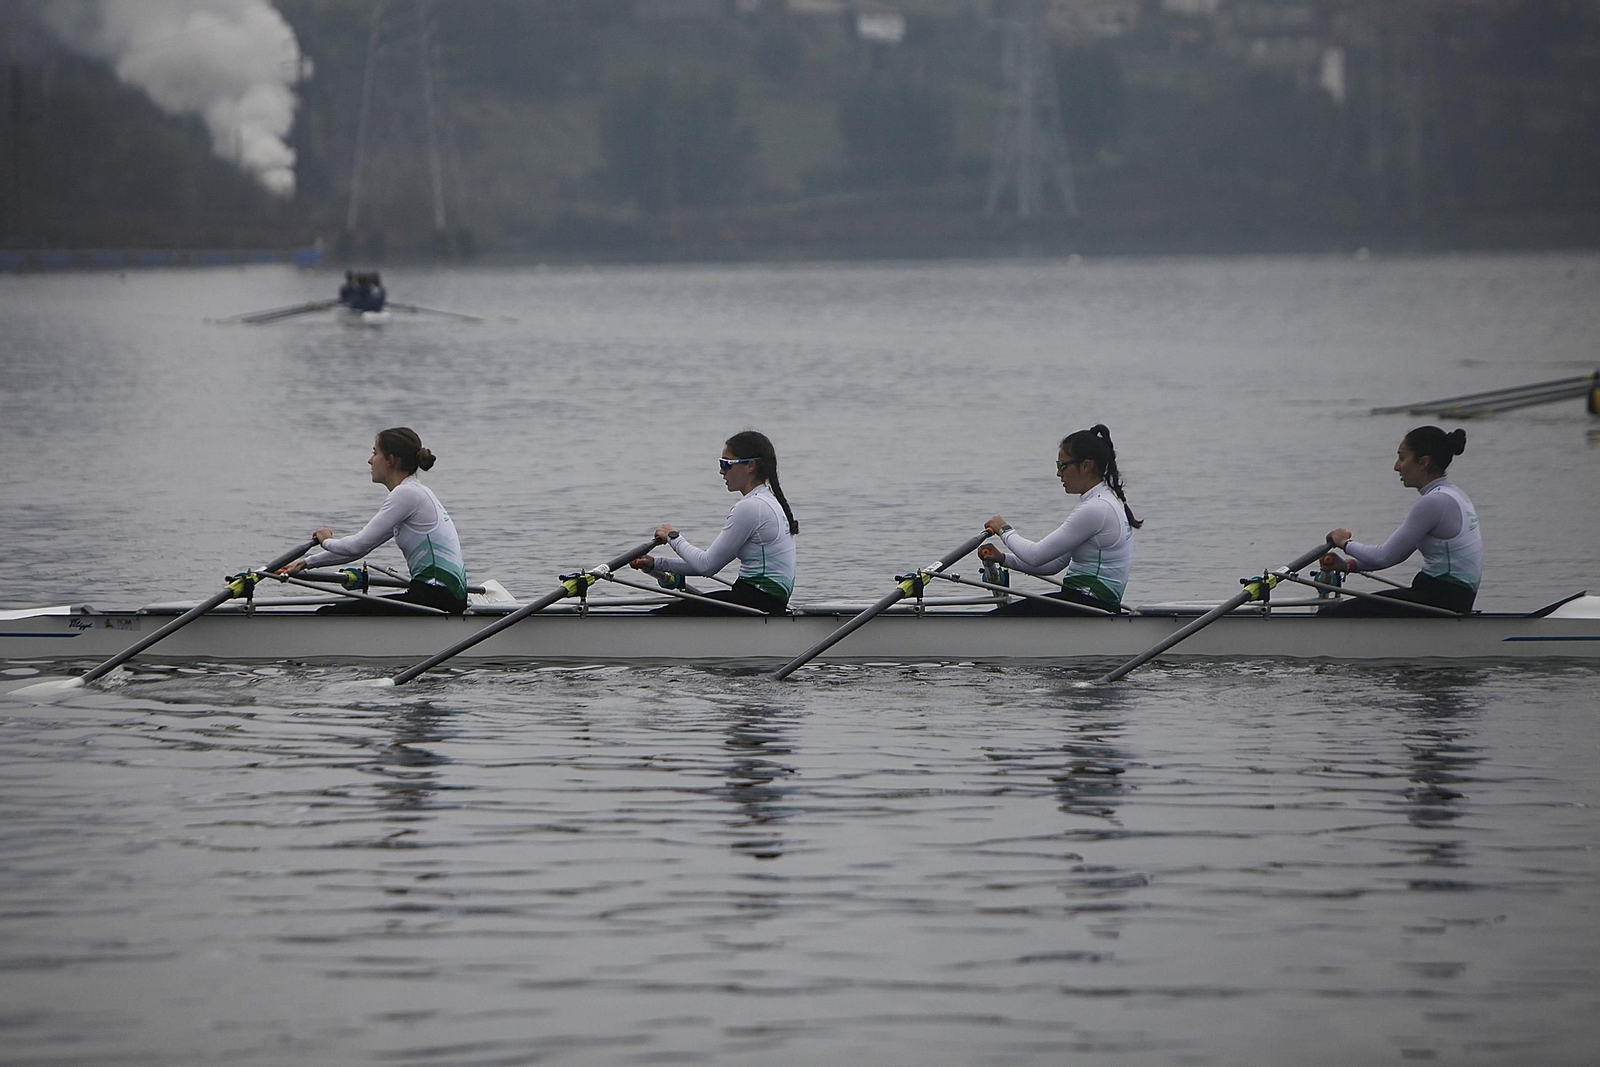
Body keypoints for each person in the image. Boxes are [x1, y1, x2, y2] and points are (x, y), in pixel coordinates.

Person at [280, 427, 469, 614]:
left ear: (390, 460)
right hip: (443, 597)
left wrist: (325, 541)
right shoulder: (417, 492)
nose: (370, 460)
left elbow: (357, 545)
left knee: (328, 614)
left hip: (435, 597)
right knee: (338, 610)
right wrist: (306, 563)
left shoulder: (406, 494)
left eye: (375, 453)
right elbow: (361, 549)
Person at [630, 430, 798, 615]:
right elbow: (710, 563)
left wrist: (673, 537)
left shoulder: (751, 507)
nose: (721, 470)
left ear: (750, 465)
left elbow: (707, 566)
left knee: (658, 616)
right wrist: (657, 564)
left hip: (756, 602)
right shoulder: (768, 501)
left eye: (726, 464)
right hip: (763, 602)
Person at [1317, 425, 1480, 616]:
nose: (1396, 466)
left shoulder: (1434, 502)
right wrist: (1349, 565)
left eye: (1402, 458)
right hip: (1451, 598)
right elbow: (1398, 554)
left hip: (1440, 599)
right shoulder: (1454, 494)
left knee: (1328, 616)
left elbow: (1384, 556)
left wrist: (1344, 542)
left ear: (1424, 462)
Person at [979, 424, 1140, 614]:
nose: (1058, 473)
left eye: (1062, 465)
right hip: (1090, 605)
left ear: (1086, 465)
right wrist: (1003, 559)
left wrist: (1004, 530)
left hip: (1087, 607)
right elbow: (1053, 564)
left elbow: (1035, 555)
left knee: (993, 621)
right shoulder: (1107, 502)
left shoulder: (1097, 509)